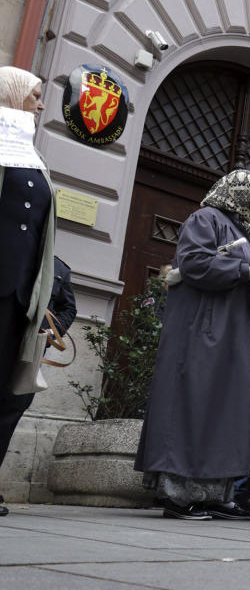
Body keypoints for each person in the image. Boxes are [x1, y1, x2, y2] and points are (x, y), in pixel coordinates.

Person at [135, 169, 250, 521]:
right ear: (237, 193)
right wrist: (243, 271)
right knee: (193, 406)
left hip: (232, 337)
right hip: (201, 333)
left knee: (224, 413)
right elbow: (193, 262)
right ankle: (178, 496)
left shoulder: (245, 235)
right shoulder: (205, 218)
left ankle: (213, 495)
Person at [0, 67, 55, 452]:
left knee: (8, 393)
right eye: (34, 96)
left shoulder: (33, 157)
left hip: (21, 296)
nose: (40, 104)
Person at [0, 256, 74, 516]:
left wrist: (53, 332)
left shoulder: (60, 268)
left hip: (27, 356)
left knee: (8, 418)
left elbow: (68, 309)